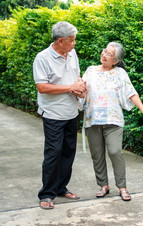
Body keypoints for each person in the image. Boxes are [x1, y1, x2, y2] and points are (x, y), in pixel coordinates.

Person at [80, 42, 143, 201]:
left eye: (109, 54)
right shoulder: (91, 70)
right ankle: (103, 185)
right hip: (93, 119)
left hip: (113, 120)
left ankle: (122, 187)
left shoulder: (120, 73)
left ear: (116, 61)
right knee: (97, 155)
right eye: (104, 50)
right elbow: (81, 88)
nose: (104, 54)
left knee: (115, 151)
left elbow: (131, 92)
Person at [33, 21, 86, 210]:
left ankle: (61, 188)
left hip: (71, 112)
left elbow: (76, 77)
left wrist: (80, 88)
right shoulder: (42, 58)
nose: (74, 44)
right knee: (53, 154)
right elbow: (42, 87)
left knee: (68, 153)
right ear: (61, 40)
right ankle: (47, 194)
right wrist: (70, 87)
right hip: (53, 114)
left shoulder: (72, 54)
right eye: (72, 41)